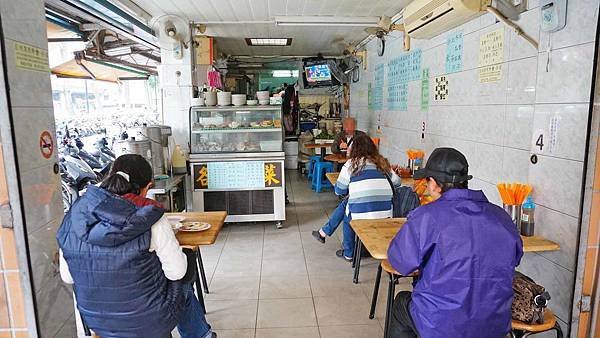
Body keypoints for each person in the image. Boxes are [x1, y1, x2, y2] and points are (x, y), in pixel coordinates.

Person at [57, 154, 215, 338]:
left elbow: (68, 277)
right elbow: (177, 273)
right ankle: (202, 336)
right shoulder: (150, 216)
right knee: (184, 280)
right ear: (146, 187)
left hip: (98, 321)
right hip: (149, 321)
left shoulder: (74, 215)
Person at [387, 148, 523, 338]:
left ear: (434, 184)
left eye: (426, 182)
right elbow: (515, 258)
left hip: (441, 326)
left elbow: (401, 263)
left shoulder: (426, 217)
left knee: (402, 302)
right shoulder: (501, 217)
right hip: (494, 325)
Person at [312, 134, 400, 260]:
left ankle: (348, 253)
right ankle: (324, 232)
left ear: (354, 149)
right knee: (348, 203)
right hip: (386, 215)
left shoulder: (351, 164)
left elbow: (339, 190)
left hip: (361, 218)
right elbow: (397, 182)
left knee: (348, 209)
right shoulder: (382, 163)